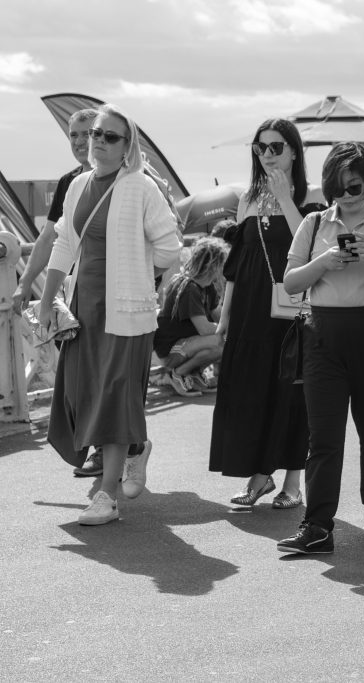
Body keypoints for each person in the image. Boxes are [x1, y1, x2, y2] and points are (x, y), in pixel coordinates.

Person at [40, 103, 181, 525]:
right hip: (84, 306)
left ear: (127, 147)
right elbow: (63, 245)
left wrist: (141, 278)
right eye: (94, 134)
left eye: (109, 136)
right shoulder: (78, 185)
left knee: (115, 394)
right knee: (79, 392)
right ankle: (135, 448)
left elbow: (169, 248)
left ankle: (107, 495)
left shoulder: (141, 186)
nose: (97, 141)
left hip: (127, 311)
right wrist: (46, 301)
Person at [275, 142, 364, 554]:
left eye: (354, 186)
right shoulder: (315, 223)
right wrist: (325, 262)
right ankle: (317, 525)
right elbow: (291, 282)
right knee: (325, 435)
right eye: (338, 187)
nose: (347, 195)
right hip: (323, 334)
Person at [209, 119, 325, 508]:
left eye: (276, 147)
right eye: (261, 148)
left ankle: (293, 481)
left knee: (290, 389)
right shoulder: (248, 199)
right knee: (250, 386)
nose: (268, 155)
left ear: (294, 150)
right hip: (250, 306)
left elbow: (311, 248)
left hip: (293, 307)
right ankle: (259, 475)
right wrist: (225, 315)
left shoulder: (313, 196)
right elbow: (236, 265)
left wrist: (287, 199)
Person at [14, 109, 101, 476]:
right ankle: (116, 445)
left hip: (117, 294)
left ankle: (110, 448)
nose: (81, 142)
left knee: (107, 373)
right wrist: (24, 284)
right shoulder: (69, 182)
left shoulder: (131, 179)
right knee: (79, 376)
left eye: (89, 134)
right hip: (77, 292)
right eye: (73, 135)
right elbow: (50, 238)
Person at [153, 236, 228, 397]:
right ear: (212, 265)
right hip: (169, 351)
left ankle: (193, 374)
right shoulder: (189, 288)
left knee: (224, 341)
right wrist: (230, 329)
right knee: (219, 340)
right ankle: (177, 373)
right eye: (221, 264)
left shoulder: (207, 287)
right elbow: (205, 329)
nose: (223, 269)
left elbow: (220, 318)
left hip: (187, 345)